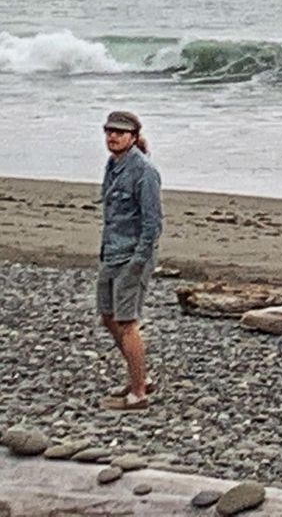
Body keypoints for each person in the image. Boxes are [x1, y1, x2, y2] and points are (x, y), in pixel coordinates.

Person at [97, 110, 163, 411]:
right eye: (109, 131)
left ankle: (138, 393)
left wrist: (139, 261)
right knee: (108, 316)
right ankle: (142, 378)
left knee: (126, 322)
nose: (113, 136)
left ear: (133, 137)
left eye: (120, 132)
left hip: (132, 256)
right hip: (111, 251)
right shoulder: (113, 165)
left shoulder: (144, 171)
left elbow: (153, 223)